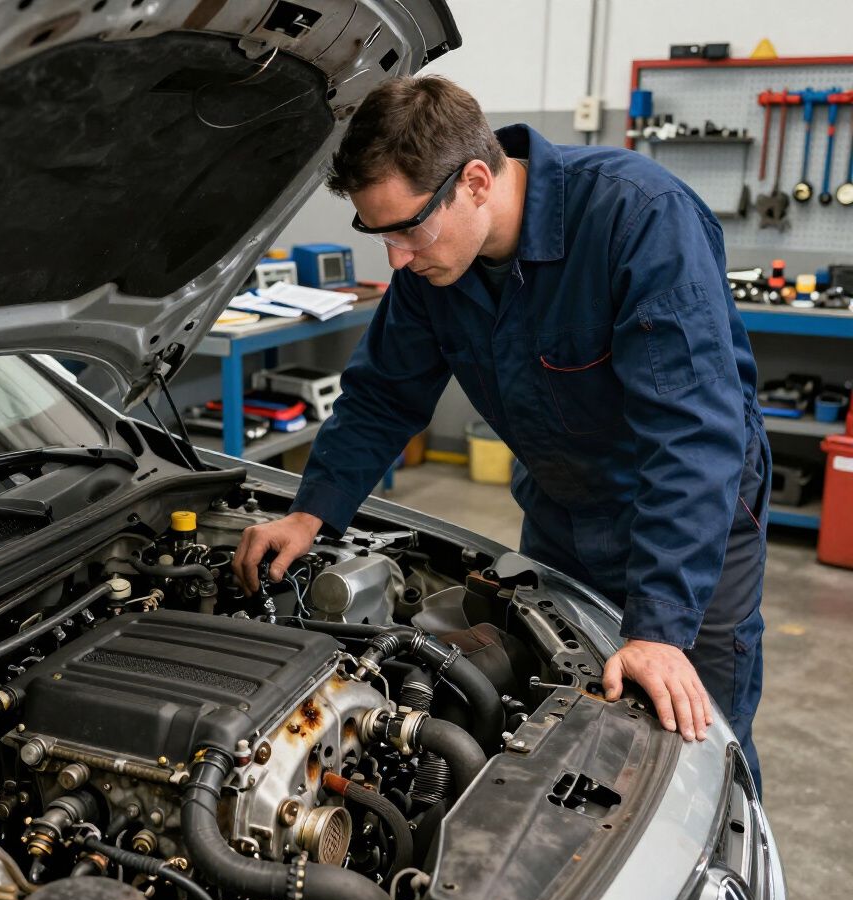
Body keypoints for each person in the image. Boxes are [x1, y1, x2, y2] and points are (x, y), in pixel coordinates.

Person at [233, 76, 769, 791]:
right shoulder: (434, 266)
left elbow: (693, 435)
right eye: (377, 232)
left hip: (692, 534)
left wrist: (660, 628)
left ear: (476, 180)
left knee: (696, 751)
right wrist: (311, 510)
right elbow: (383, 395)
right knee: (567, 728)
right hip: (564, 516)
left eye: (407, 228)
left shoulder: (637, 218)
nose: (396, 258)